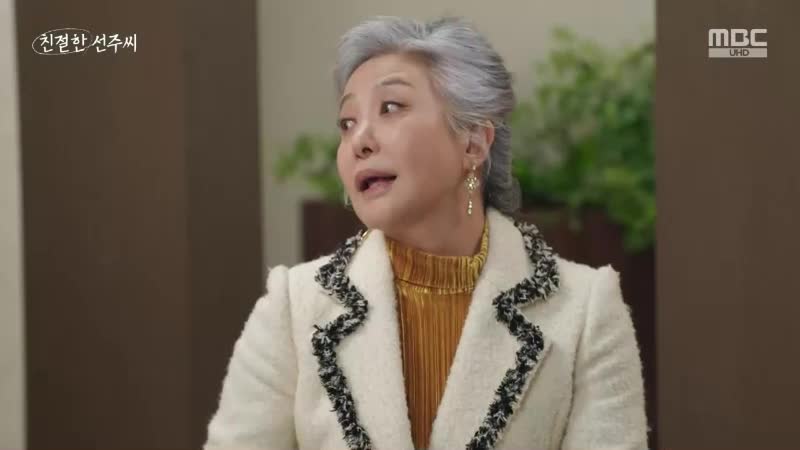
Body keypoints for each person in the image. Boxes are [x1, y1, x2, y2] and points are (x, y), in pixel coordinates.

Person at [204, 15, 648, 450]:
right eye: (347, 122)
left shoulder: (586, 311)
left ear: (473, 142)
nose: (359, 140)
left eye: (390, 107)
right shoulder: (293, 307)